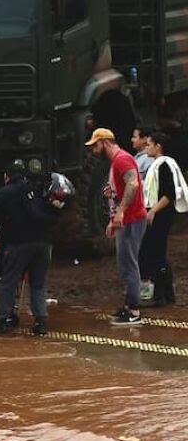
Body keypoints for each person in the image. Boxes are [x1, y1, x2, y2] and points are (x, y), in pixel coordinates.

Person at [0, 161, 59, 335]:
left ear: (6, 176)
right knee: (38, 283)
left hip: (18, 243)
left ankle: (3, 320)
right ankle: (40, 323)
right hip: (44, 242)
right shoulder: (35, 189)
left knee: (9, 281)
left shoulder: (3, 193)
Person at [86, 127, 147, 324]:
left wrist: (120, 212)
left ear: (105, 142)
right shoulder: (117, 161)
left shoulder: (121, 159)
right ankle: (129, 306)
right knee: (124, 263)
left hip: (131, 219)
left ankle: (134, 311)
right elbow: (123, 185)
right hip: (125, 220)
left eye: (95, 146)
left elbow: (133, 184)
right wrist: (112, 193)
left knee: (129, 263)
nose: (94, 151)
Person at [139, 131, 183, 307]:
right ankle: (166, 294)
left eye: (149, 144)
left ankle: (161, 295)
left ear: (158, 146)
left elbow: (169, 193)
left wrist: (153, 210)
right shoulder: (157, 165)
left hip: (161, 215)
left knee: (157, 253)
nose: (147, 147)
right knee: (156, 252)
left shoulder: (164, 164)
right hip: (157, 214)